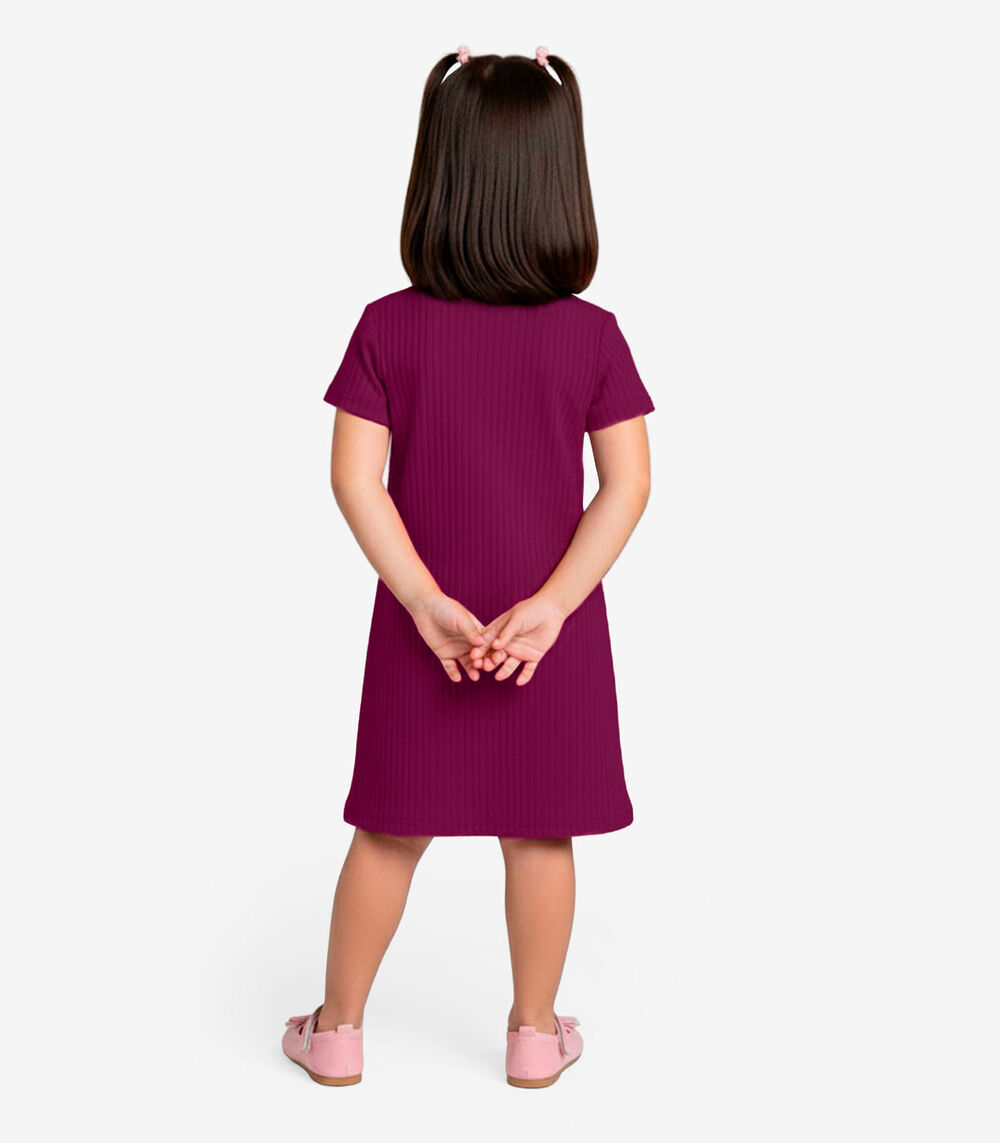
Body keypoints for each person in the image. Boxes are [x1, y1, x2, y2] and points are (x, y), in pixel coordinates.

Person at [282, 44, 655, 1090]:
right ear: (561, 182)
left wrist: (421, 597)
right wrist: (552, 606)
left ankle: (337, 1032)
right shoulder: (592, 336)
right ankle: (534, 1036)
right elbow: (627, 485)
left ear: (436, 174)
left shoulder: (386, 327)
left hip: (426, 635)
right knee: (541, 836)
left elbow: (354, 479)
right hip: (548, 641)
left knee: (388, 831)